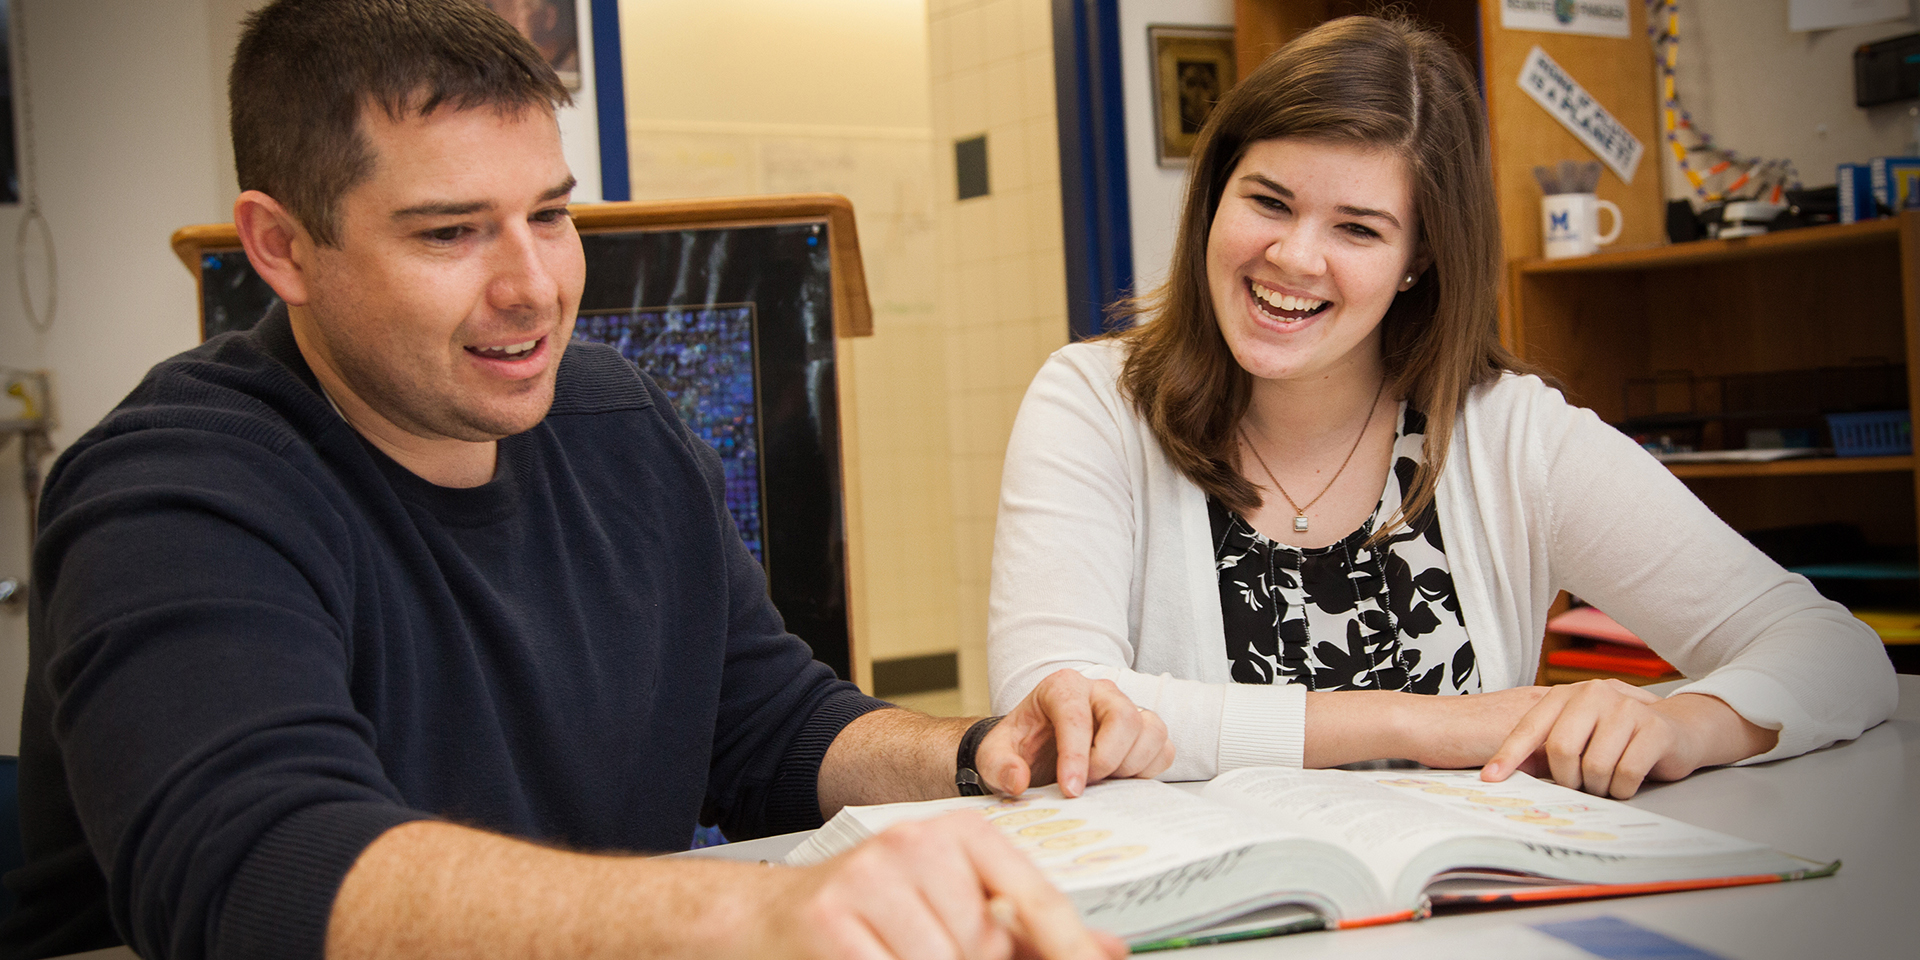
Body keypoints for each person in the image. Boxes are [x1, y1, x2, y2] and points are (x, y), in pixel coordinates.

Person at [0, 2, 1172, 959]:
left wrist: (978, 752)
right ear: (282, 247)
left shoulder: (617, 422)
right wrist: (745, 915)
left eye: (550, 217)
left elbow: (770, 728)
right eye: (450, 233)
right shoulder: (171, 492)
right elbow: (257, 873)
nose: (534, 288)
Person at [988, 16, 1896, 799]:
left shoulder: (1511, 434)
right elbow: (1059, 704)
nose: (1296, 258)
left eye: (1358, 228)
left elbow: (1836, 654)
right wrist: (1427, 725)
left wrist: (1687, 727)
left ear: (1418, 258)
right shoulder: (1094, 404)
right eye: (1268, 201)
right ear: (1214, 199)